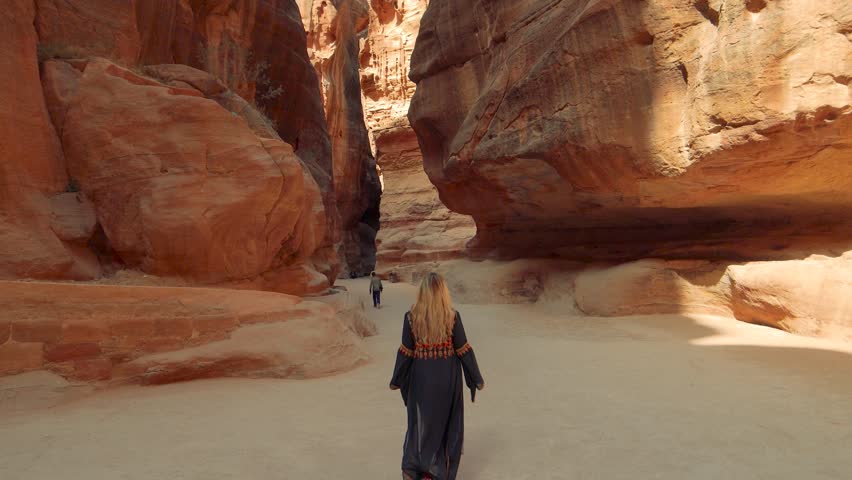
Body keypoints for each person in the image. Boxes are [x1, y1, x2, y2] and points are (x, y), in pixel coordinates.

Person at [390, 272, 484, 480]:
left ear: (422, 292)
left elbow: (406, 351)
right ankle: (439, 471)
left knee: (419, 423)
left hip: (420, 379)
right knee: (447, 424)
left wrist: (397, 379)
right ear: (443, 292)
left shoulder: (411, 317)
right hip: (447, 380)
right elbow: (463, 349)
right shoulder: (452, 316)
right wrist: (476, 378)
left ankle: (412, 468)